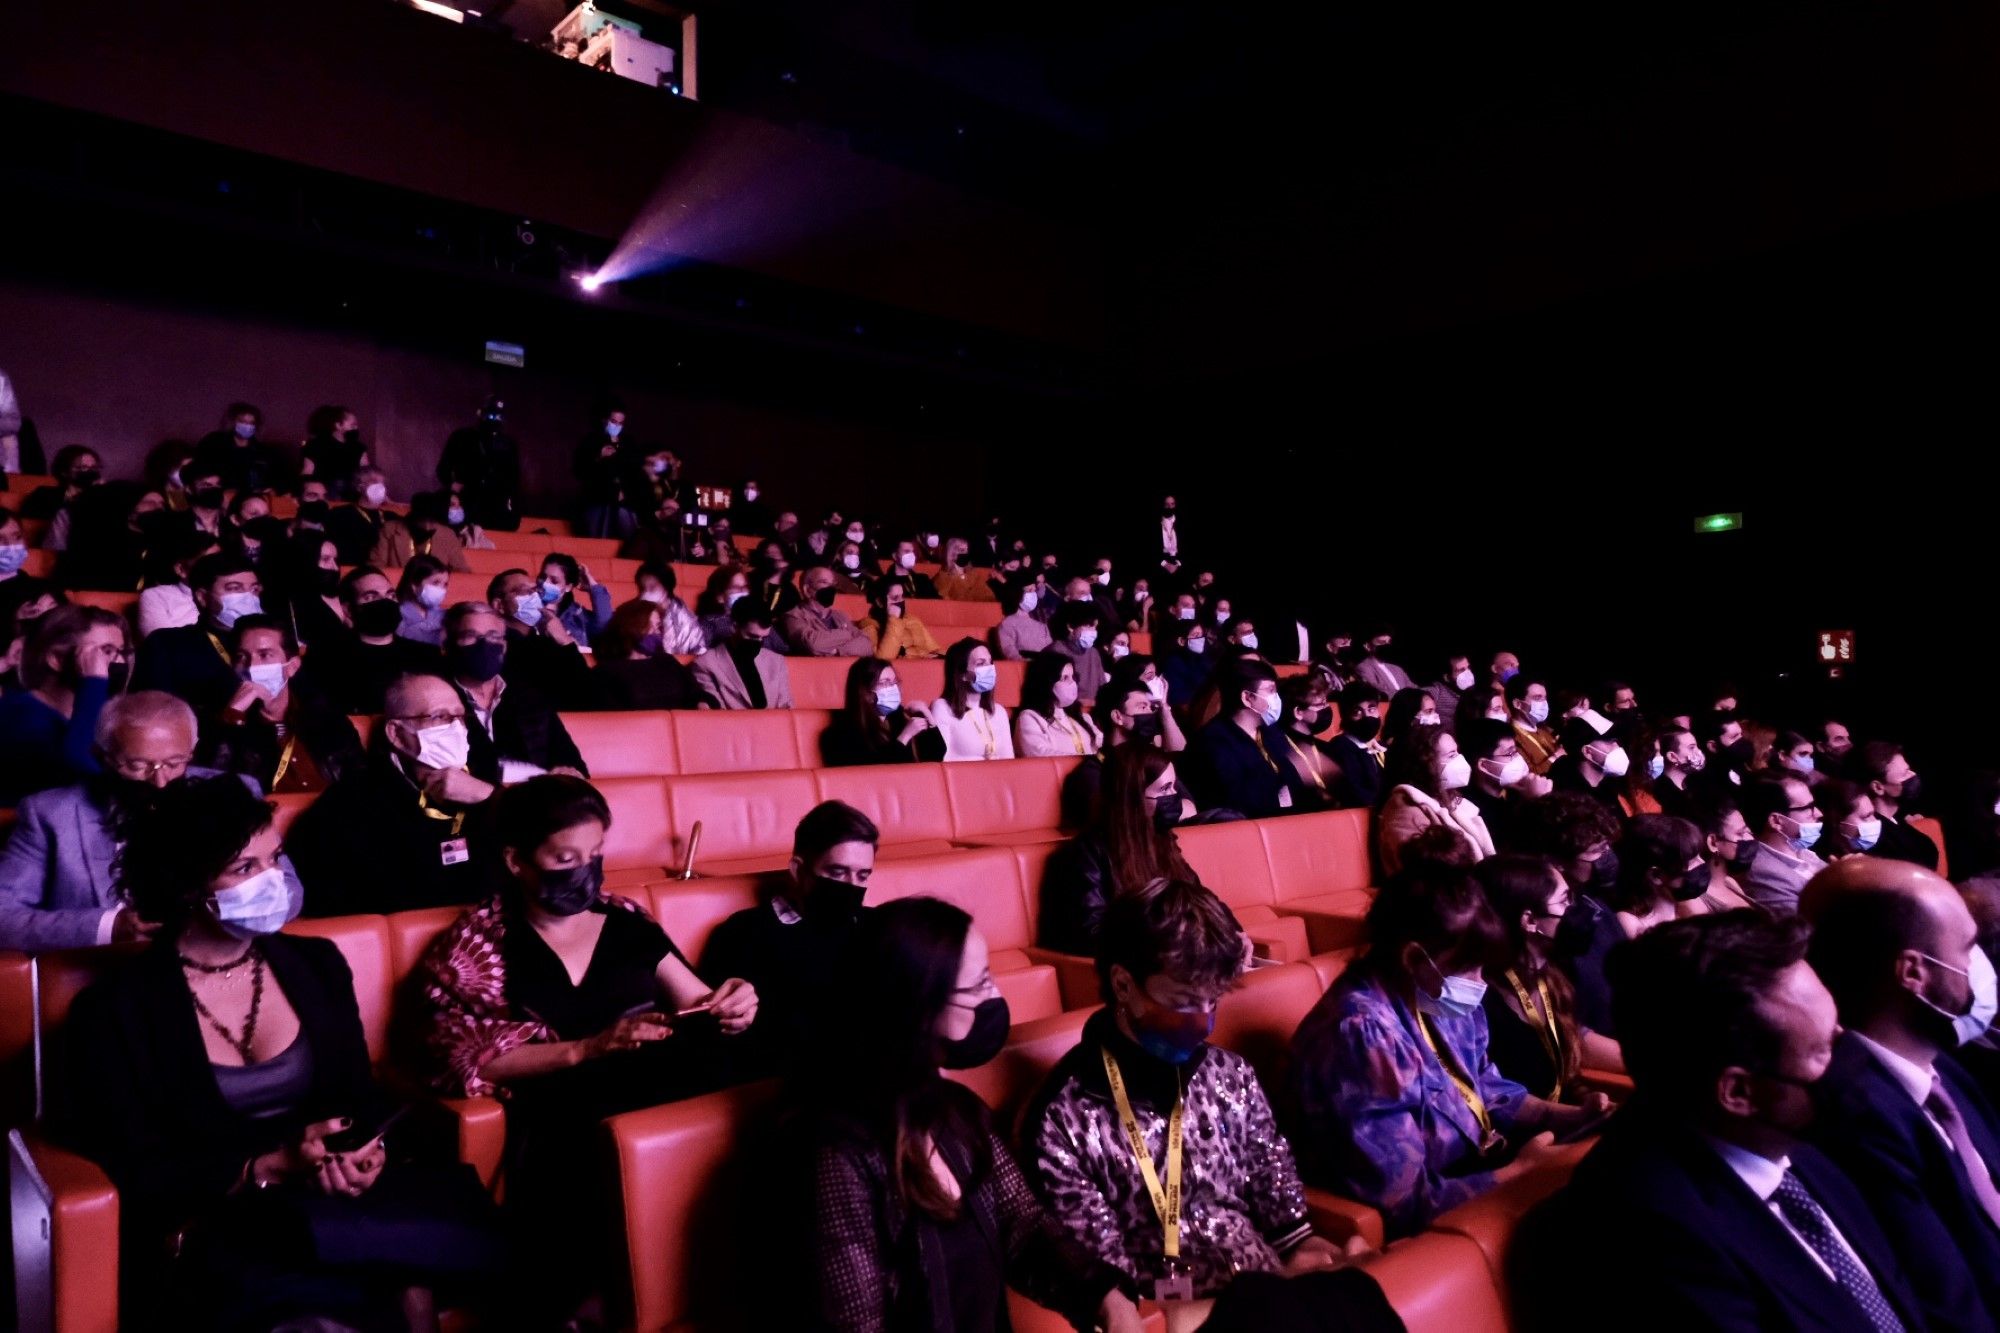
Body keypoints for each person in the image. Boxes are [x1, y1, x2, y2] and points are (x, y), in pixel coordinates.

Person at [61, 776, 501, 1330]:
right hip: (218, 1218)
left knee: (427, 1273)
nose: (272, 881)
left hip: (335, 1204)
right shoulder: (114, 1010)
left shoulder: (316, 964)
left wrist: (365, 1152)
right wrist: (263, 1167)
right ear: (185, 885)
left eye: (275, 859)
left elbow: (357, 1096)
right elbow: (131, 1164)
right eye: (245, 869)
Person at [418, 776, 754, 1315]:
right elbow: (461, 1057)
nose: (585, 870)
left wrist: (734, 1004)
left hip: (659, 1080)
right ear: (516, 861)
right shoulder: (478, 943)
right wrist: (586, 1049)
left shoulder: (626, 923)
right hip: (561, 1108)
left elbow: (700, 1004)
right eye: (565, 857)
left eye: (595, 853)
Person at [1512, 911, 1931, 1333]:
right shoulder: (1650, 1239)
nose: (1850, 1055)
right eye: (1824, 1049)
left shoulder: (1804, 1137)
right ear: (1739, 1093)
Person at [1027, 878, 1376, 1314]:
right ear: (1122, 984)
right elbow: (1108, 1289)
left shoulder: (1230, 1075)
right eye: (1185, 1001)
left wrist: (1308, 1253)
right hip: (1169, 1318)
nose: (1203, 1022)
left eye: (1212, 1002)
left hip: (1273, 1293)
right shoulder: (1064, 1119)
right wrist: (1267, 1300)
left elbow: (1282, 1207)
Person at [800, 895, 1144, 1333]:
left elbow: (1023, 1227)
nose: (995, 997)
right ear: (919, 1007)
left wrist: (1104, 1295)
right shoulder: (838, 1156)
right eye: (980, 984)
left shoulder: (956, 1110)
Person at [1287, 858, 1585, 1238]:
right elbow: (1400, 1202)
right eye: (1470, 968)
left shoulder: (1433, 992)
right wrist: (1520, 1173)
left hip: (1480, 1174)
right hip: (1426, 1222)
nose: (1480, 983)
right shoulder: (1360, 1035)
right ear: (1413, 958)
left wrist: (1566, 1117)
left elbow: (1487, 1089)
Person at [1801, 856, 2000, 1331]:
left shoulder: (1941, 1061)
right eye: (1968, 946)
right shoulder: (1853, 1116)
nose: (1980, 965)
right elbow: (1951, 1301)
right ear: (1913, 971)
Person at [0, 692, 288, 950]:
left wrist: (225, 915)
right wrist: (111, 926)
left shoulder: (234, 790)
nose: (161, 781)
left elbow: (289, 889)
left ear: (193, 748)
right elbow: (3, 918)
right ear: (102, 756)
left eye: (175, 763)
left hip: (214, 954)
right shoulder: (49, 814)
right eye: (138, 766)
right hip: (108, 971)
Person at [287, 673, 501, 917]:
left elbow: (538, 847)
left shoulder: (482, 786)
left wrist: (488, 796)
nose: (456, 728)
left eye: (460, 717)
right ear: (397, 734)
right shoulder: (349, 803)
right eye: (439, 716)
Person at [701, 801, 880, 1083]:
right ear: (798, 870)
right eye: (837, 872)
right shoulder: (743, 933)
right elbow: (721, 1042)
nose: (850, 886)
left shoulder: (879, 927)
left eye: (862, 876)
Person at [1473, 855, 1623, 1103]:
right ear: (1530, 920)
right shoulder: (1483, 1003)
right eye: (1565, 901)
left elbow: (1573, 1042)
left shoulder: (1550, 972)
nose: (1577, 910)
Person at [1037, 745, 1193, 956]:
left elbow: (1198, 898)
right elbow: (1091, 932)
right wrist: (1168, 943)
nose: (1175, 796)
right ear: (1133, 798)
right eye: (1165, 789)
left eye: (1174, 787)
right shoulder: (1085, 856)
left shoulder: (1162, 841)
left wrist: (1233, 934)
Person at [203, 615, 365, 795]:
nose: (251, 666)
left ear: (292, 666)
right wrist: (232, 716)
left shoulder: (326, 718)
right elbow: (215, 791)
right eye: (242, 656)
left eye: (264, 655)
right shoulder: (219, 723)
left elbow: (360, 783)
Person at [1510, 792, 1627, 1037]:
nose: (1607, 857)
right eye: (1597, 850)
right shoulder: (1548, 933)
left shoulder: (1592, 902)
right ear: (1556, 861)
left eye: (1607, 846)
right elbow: (1576, 1034)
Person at [443, 602, 587, 782]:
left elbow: (572, 763)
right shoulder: (434, 701)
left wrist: (569, 773)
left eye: (493, 636)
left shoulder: (530, 696)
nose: (484, 645)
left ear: (504, 646)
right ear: (448, 645)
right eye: (470, 636)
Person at [0, 605, 128, 805]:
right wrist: (94, 683)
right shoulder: (19, 715)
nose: (117, 661)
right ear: (56, 659)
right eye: (106, 651)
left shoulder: (97, 707)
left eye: (120, 652)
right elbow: (83, 770)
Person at [132, 551, 265, 713]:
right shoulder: (167, 644)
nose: (247, 598)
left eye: (254, 590)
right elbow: (153, 716)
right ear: (202, 597)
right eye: (234, 588)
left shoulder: (275, 642)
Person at [1183, 657, 1307, 819]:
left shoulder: (1272, 732)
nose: (1277, 698)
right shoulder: (1212, 743)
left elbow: (1294, 782)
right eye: (1271, 691)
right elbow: (1241, 800)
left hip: (1286, 821)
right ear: (1247, 698)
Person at [319, 566, 443, 715]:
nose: (385, 602)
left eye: (391, 595)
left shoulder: (427, 656)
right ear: (348, 610)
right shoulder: (327, 658)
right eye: (371, 597)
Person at [1378, 724, 1494, 872]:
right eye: (1452, 755)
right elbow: (1421, 871)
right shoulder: (1404, 810)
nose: (1460, 759)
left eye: (1458, 752)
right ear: (1426, 763)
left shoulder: (1450, 799)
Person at [483, 568, 591, 706]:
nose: (534, 596)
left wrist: (564, 640)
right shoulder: (494, 647)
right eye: (524, 591)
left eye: (535, 590)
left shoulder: (548, 641)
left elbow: (586, 688)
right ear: (499, 605)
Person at [582, 597, 700, 710]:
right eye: (648, 625)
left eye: (658, 626)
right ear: (630, 627)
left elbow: (698, 694)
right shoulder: (606, 672)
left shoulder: (668, 662)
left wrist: (702, 703)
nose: (655, 632)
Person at [821, 658, 942, 766]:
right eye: (885, 683)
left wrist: (929, 718)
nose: (893, 688)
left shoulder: (900, 719)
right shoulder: (841, 733)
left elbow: (937, 755)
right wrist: (904, 737)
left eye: (894, 682)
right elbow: (874, 771)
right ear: (865, 692)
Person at [1605, 814, 1710, 937]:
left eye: (1699, 856)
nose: (1703, 863)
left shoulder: (1692, 905)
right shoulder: (1632, 923)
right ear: (1656, 875)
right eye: (1692, 861)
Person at [1740, 773, 1829, 914]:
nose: (1818, 813)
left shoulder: (1803, 852)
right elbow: (1805, 928)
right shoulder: (1764, 874)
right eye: (1809, 808)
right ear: (1776, 821)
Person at [690, 597, 794, 709]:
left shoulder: (776, 661)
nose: (758, 642)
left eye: (763, 638)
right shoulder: (705, 664)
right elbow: (717, 715)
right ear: (734, 627)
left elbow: (786, 708)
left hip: (776, 726)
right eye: (752, 636)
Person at [1270, 674, 1355, 810]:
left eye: (1326, 702)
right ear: (1298, 712)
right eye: (1320, 704)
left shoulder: (1327, 749)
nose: (1327, 708)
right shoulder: (1279, 751)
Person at [436, 396, 520, 531]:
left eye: (498, 417)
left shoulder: (508, 444)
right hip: (467, 500)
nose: (494, 420)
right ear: (480, 413)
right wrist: (453, 486)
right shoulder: (461, 437)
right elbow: (442, 469)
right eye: (491, 415)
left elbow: (514, 479)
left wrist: (508, 500)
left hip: (495, 506)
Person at [1853, 742, 1942, 870]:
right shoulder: (1874, 837)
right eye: (1905, 774)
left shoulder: (1898, 821)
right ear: (1878, 787)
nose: (1913, 775)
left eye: (1909, 770)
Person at [930, 637, 1015, 762]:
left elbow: (1009, 760)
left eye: (990, 662)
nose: (989, 668)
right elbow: (943, 760)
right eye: (980, 663)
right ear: (962, 674)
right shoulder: (942, 707)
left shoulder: (999, 711)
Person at [1680, 795, 1761, 916]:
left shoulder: (1729, 881)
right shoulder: (1695, 905)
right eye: (1740, 833)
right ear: (1713, 843)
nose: (1749, 837)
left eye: (1747, 830)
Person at [1016, 650, 1105, 759]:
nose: (1073, 683)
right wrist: (1085, 760)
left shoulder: (1083, 717)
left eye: (1073, 677)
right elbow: (1039, 754)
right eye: (1065, 678)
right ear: (1047, 683)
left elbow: (1099, 748)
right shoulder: (1030, 717)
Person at [190, 400, 292, 493]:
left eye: (251, 423)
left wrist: (273, 489)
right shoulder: (214, 443)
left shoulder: (262, 451)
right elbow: (200, 471)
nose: (247, 426)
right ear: (233, 422)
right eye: (243, 422)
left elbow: (278, 475)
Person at [573, 400, 635, 538]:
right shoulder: (592, 441)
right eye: (613, 421)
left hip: (622, 502)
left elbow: (633, 473)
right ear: (605, 420)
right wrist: (599, 457)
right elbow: (580, 470)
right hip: (597, 500)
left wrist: (625, 492)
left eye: (620, 423)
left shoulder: (628, 445)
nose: (617, 426)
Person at [781, 565, 873, 658]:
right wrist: (847, 634)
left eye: (833, 584)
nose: (831, 588)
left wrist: (838, 651)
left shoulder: (840, 616)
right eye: (824, 582)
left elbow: (867, 645)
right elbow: (813, 644)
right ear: (807, 589)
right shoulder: (794, 615)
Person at [1549, 715, 1632, 816]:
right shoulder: (1568, 800)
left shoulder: (1608, 790)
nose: (1617, 747)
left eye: (1616, 741)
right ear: (1588, 752)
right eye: (1609, 741)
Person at [1327, 682, 1391, 810]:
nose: (1367, 716)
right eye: (1357, 712)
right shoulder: (1340, 749)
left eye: (1371, 709)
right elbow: (1358, 795)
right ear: (1346, 717)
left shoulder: (1382, 747)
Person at [323, 465, 395, 565]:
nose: (379, 486)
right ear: (359, 487)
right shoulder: (341, 514)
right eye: (374, 481)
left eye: (382, 483)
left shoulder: (391, 516)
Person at [634, 560, 709, 654]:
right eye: (642, 588)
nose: (645, 593)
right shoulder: (633, 612)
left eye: (652, 587)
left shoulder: (683, 618)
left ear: (666, 588)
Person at [859, 577, 942, 660]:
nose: (900, 602)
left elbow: (934, 650)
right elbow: (883, 659)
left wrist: (912, 652)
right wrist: (894, 619)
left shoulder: (912, 619)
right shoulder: (869, 625)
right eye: (895, 598)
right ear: (879, 602)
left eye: (902, 597)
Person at [300, 404, 370, 499]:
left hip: (352, 497)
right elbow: (307, 472)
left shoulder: (359, 448)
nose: (356, 428)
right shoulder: (316, 445)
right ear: (338, 425)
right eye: (353, 425)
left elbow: (367, 474)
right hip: (324, 496)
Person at [1048, 601, 1108, 706]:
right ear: (1070, 626)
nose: (1094, 632)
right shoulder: (1055, 652)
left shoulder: (1094, 653)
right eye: (1089, 626)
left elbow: (1104, 690)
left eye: (1095, 627)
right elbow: (1053, 695)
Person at [1506, 672, 1561, 775]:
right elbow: (1528, 776)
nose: (1544, 703)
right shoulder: (1511, 738)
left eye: (1545, 697)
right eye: (1537, 698)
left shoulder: (1546, 730)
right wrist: (1556, 758)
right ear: (1518, 704)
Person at [394, 552, 453, 646]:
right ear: (414, 585)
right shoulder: (397, 615)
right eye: (435, 583)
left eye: (445, 584)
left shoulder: (447, 616)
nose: (441, 589)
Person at [1652, 723, 1707, 818]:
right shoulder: (1663, 795)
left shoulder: (1700, 782)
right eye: (1691, 747)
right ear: (1673, 757)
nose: (1698, 752)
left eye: (1697, 746)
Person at [1158, 614, 1212, 708]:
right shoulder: (1173, 662)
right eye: (1195, 635)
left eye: (1202, 635)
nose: (1201, 639)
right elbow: (1175, 696)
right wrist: (1204, 696)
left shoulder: (1205, 657)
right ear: (1182, 641)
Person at [994, 579, 1053, 661]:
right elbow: (1008, 651)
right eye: (1029, 590)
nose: (1033, 594)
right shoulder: (1007, 624)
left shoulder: (1043, 627)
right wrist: (1024, 661)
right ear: (1018, 594)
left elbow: (1051, 653)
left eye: (1034, 590)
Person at [695, 565, 751, 646]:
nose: (742, 592)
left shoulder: (756, 619)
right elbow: (701, 650)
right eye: (736, 588)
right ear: (720, 596)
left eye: (745, 587)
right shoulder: (709, 622)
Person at [1424, 654, 1478, 734]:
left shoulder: (1473, 694)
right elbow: (1417, 700)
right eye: (1461, 670)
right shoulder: (1437, 690)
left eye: (1468, 668)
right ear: (1447, 677)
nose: (1468, 673)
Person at [933, 536, 997, 602]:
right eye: (961, 550)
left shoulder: (974, 575)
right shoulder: (942, 577)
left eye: (966, 550)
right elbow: (943, 598)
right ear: (951, 553)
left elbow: (989, 597)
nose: (965, 553)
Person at [1351, 629, 1413, 696]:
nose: (1387, 645)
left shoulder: (1397, 669)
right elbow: (1379, 692)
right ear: (1368, 646)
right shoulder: (1364, 667)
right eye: (1382, 642)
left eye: (1389, 642)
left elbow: (1414, 688)